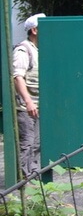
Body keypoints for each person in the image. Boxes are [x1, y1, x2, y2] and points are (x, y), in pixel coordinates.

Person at [13, 13, 45, 177]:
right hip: (27, 106)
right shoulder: (23, 50)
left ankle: (33, 174)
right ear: (34, 30)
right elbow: (18, 77)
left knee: (37, 143)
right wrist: (28, 102)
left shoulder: (38, 50)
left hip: (39, 105)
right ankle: (23, 178)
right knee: (28, 142)